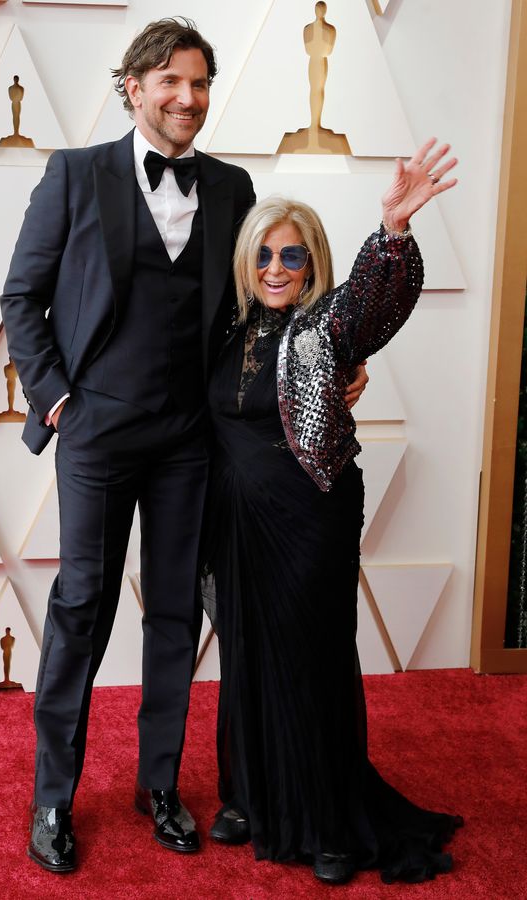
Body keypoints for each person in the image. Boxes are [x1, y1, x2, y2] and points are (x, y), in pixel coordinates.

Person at [0, 15, 370, 874]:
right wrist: (56, 401)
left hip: (190, 444)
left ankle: (158, 783)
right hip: (94, 434)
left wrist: (334, 372)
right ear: (132, 87)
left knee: (175, 614)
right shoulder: (73, 175)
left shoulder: (234, 189)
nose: (188, 98)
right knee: (81, 610)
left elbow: (267, 311)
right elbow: (22, 298)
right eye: (170, 81)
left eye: (200, 83)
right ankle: (54, 793)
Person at [203, 139, 463, 886]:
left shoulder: (326, 330)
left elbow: (370, 305)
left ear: (312, 265)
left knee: (311, 658)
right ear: (246, 265)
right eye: (263, 258)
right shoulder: (223, 333)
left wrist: (393, 232)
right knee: (246, 656)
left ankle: (328, 819)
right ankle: (250, 795)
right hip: (234, 524)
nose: (277, 271)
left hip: (309, 518)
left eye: (292, 258)